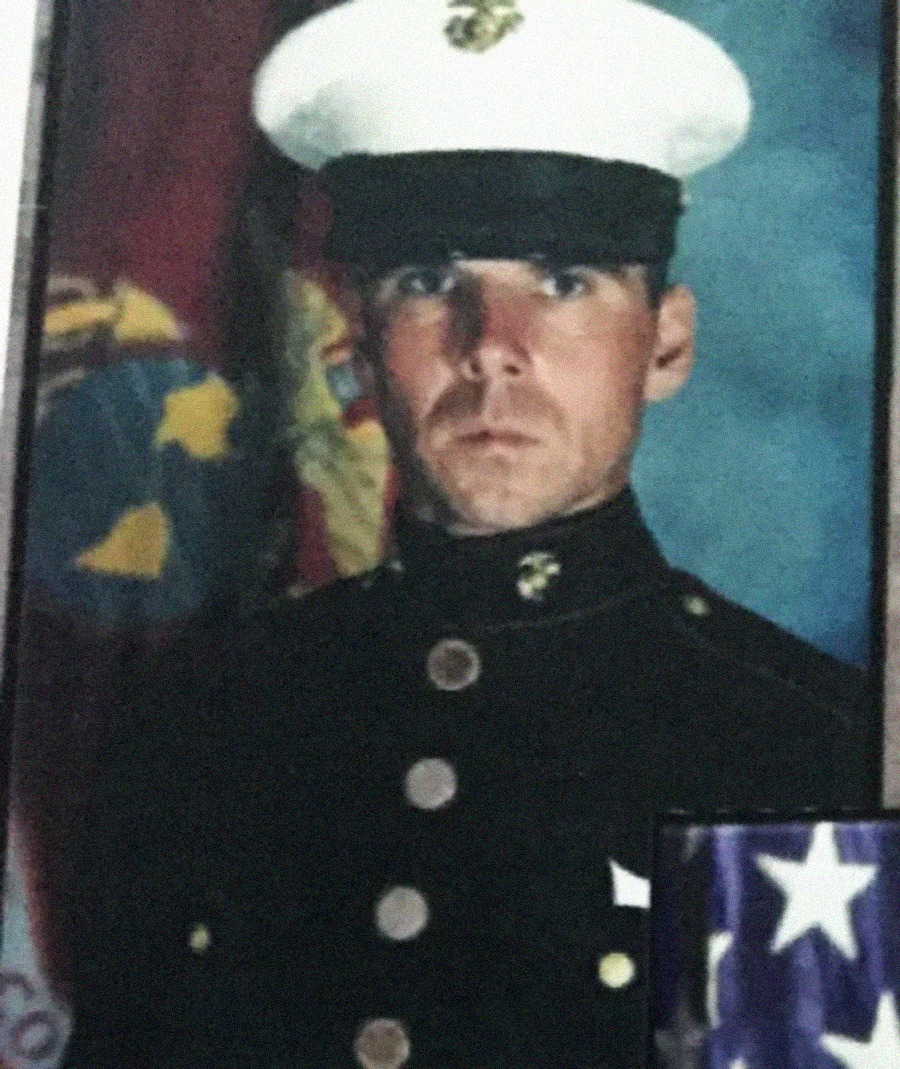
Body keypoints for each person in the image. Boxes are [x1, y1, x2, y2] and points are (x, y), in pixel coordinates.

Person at [60, 0, 877, 1066]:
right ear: (355, 342)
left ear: (666, 343)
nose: (494, 348)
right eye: (429, 282)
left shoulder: (797, 749)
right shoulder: (205, 722)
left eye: (565, 282)